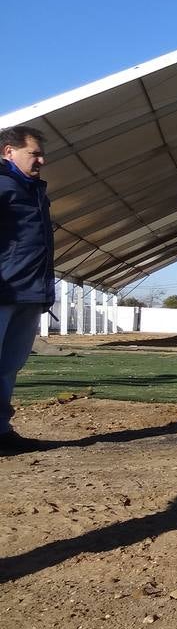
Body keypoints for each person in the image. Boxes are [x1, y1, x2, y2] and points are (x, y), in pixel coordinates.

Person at [0, 126, 54, 452]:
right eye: (34, 153)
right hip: (3, 290)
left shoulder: (34, 191)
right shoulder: (3, 186)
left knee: (9, 366)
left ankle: (1, 431)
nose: (41, 160)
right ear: (8, 151)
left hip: (29, 292)